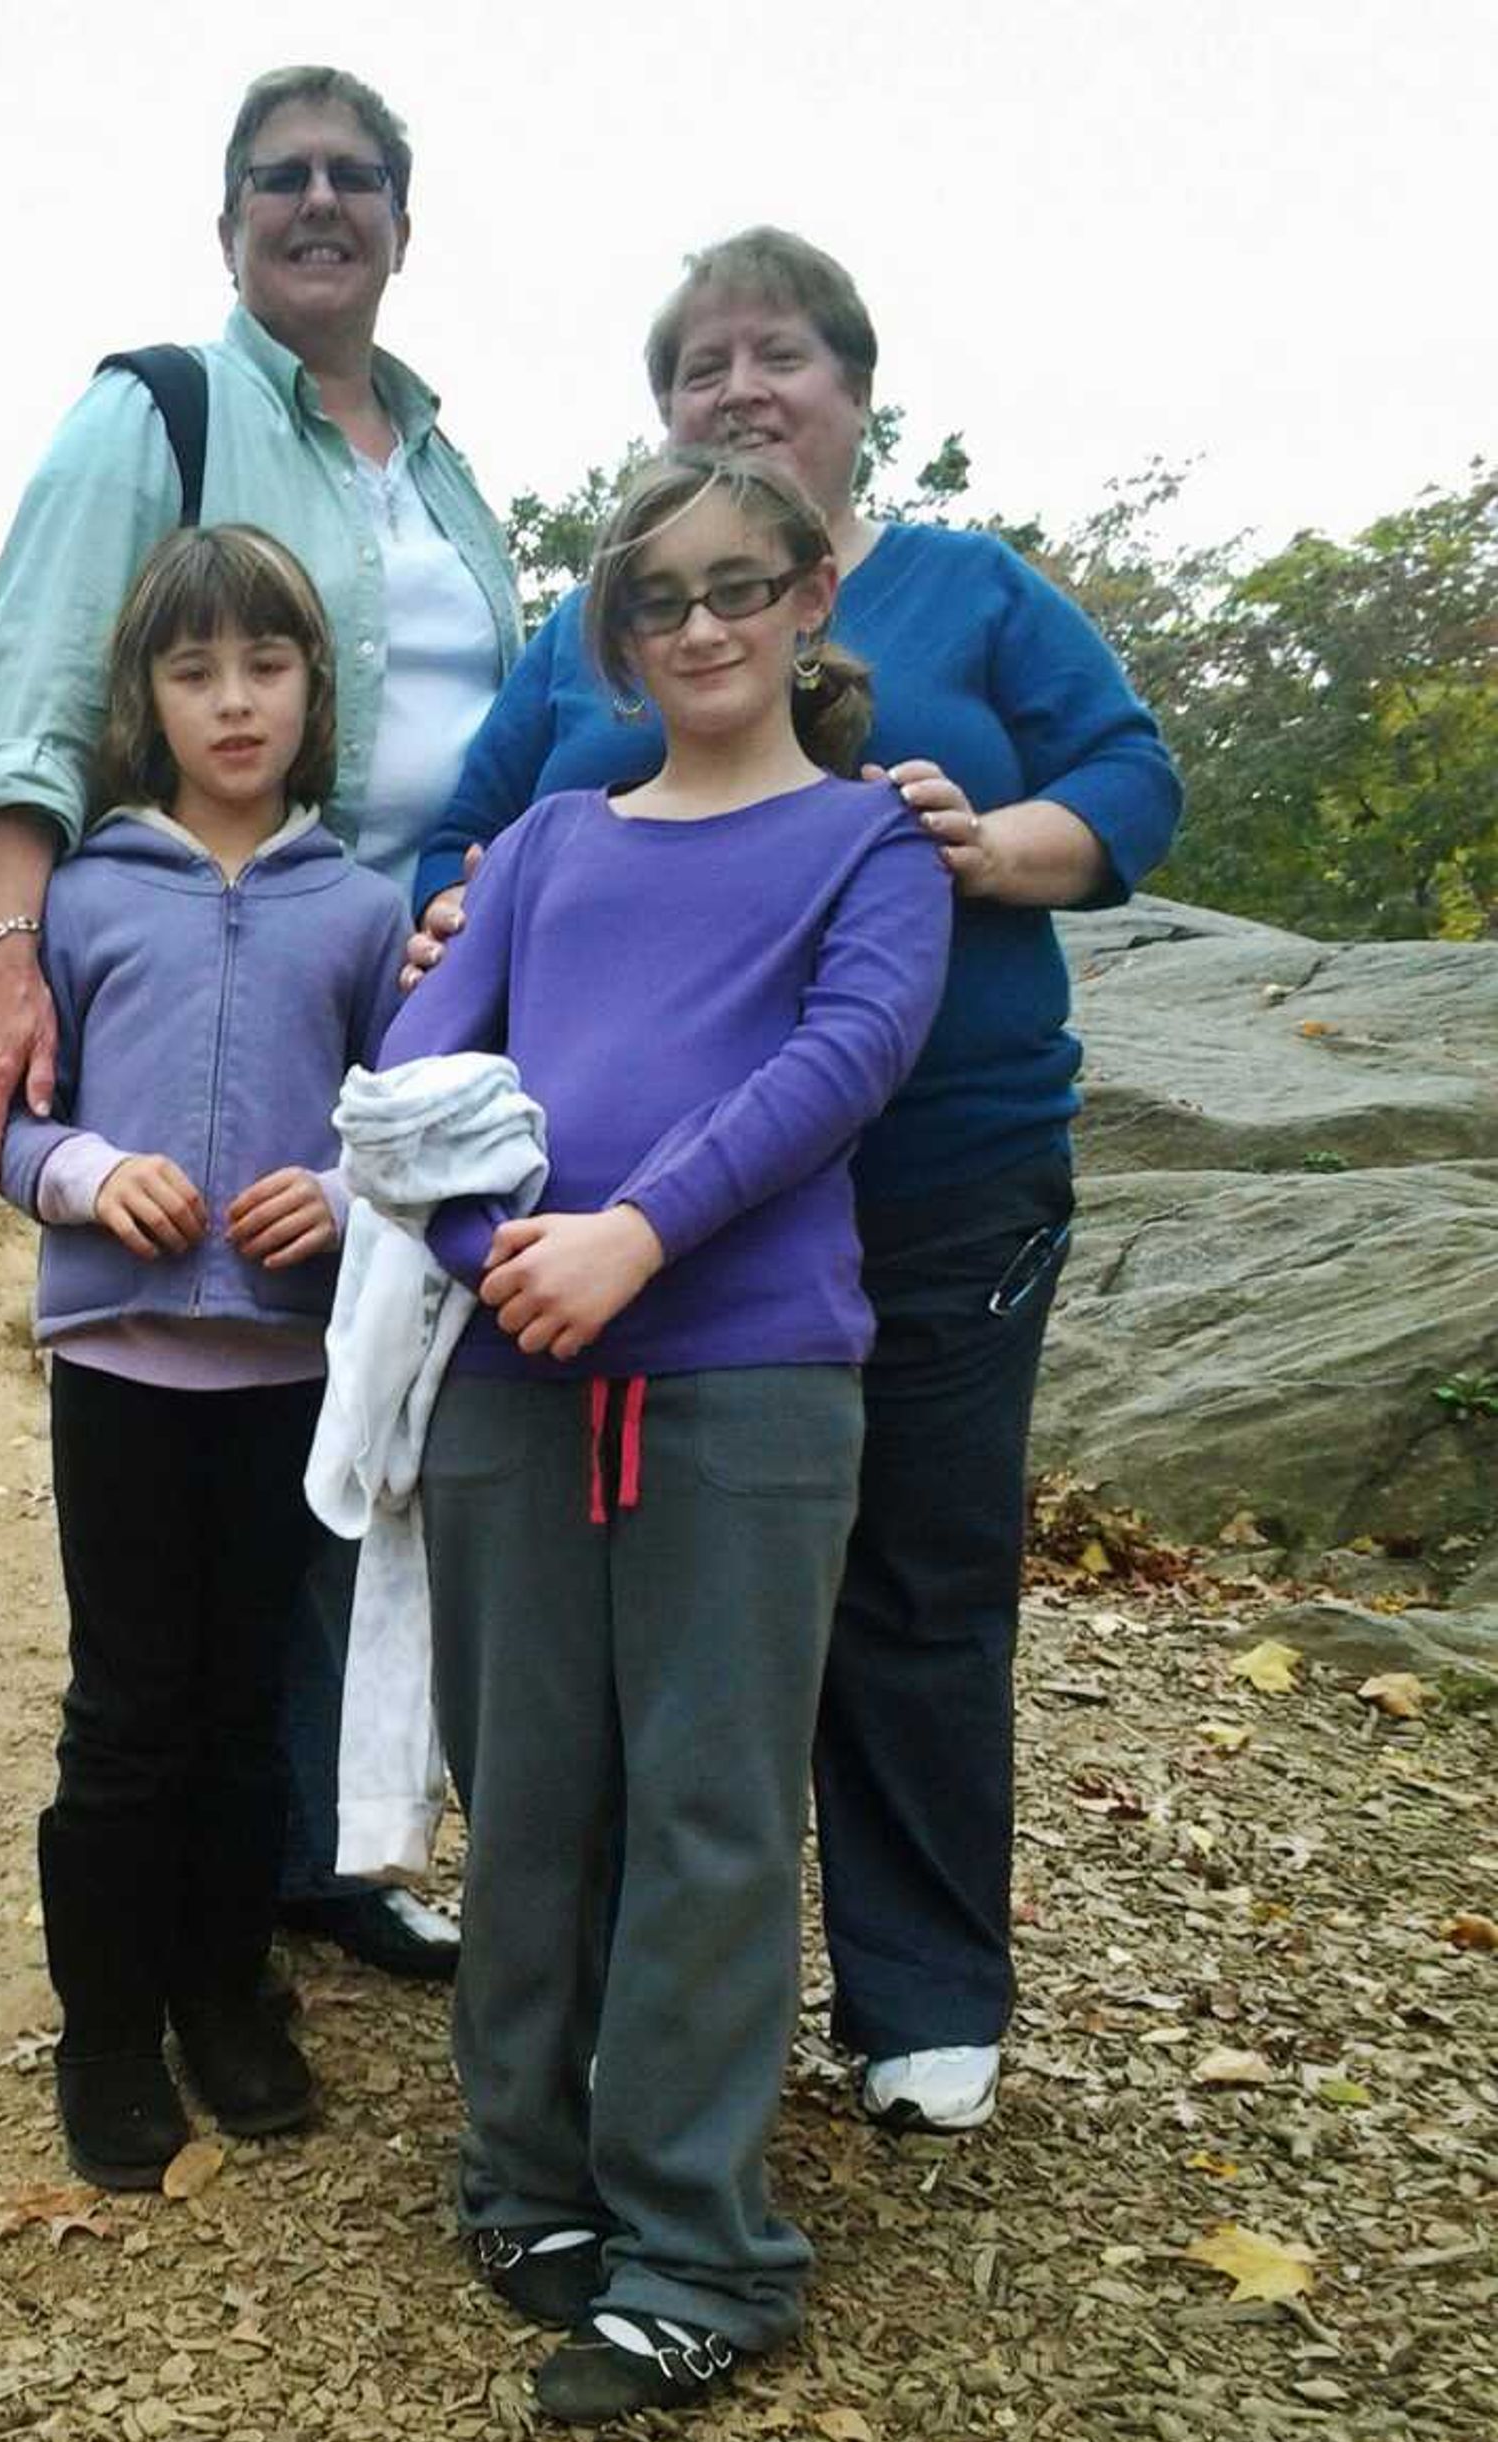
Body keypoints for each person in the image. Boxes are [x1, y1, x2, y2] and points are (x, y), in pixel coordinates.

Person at [406, 229, 1183, 2135]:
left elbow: (1134, 777)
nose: (745, 386)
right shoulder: (588, 647)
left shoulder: (974, 595)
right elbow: (461, 836)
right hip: (613, 1245)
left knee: (915, 1577)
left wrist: (988, 848)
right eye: (703, 365)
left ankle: (917, 1992)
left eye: (785, 355)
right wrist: (463, 916)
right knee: (631, 1642)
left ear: (857, 391)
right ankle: (610, 2010)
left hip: (937, 1169)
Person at [382, 451, 952, 2422]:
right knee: (525, 1793)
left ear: (809, 601)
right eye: (660, 599)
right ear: (614, 633)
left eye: (740, 587)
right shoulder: (544, 842)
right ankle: (522, 2176)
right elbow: (410, 1070)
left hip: (747, 1385)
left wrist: (638, 1236)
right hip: (512, 1380)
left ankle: (701, 2247)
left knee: (711, 1814)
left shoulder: (870, 843)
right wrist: (499, 1250)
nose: (701, 626)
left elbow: (847, 1059)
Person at [0, 64, 521, 1979]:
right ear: (228, 222)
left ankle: (302, 1858)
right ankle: (206, 1915)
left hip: (396, 969)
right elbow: (34, 675)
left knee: (358, 1435)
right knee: (172, 1597)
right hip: (169, 959)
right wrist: (11, 939)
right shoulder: (158, 413)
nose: (321, 200)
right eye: (283, 174)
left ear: (405, 223)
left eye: (359, 174)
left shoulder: (446, 472)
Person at [0, 524, 408, 2186]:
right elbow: (12, 1130)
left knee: (249, 1710)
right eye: (193, 670)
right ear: (146, 697)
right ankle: (103, 2027)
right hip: (120, 1373)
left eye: (265, 665)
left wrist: (338, 1188)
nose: (232, 701)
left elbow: (410, 1130)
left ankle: (227, 1994)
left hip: (286, 1383)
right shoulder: (82, 897)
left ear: (315, 690)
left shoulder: (365, 909)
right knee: (126, 1710)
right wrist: (92, 1174)